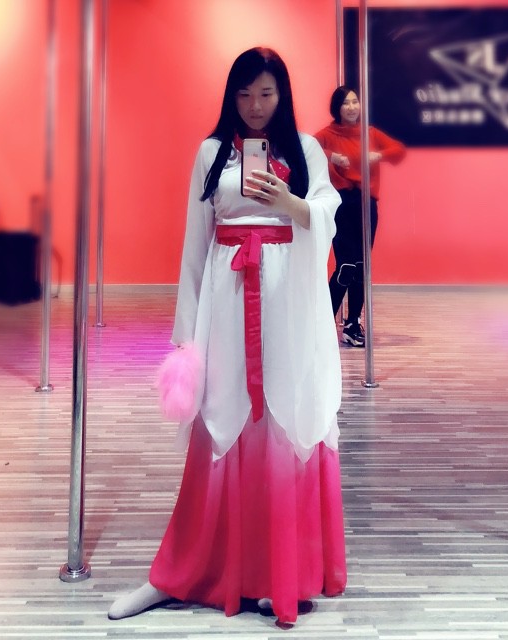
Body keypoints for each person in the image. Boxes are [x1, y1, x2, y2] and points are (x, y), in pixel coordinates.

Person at [108, 47, 347, 626]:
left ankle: (277, 574)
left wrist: (289, 203)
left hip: (288, 307)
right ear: (230, 97)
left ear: (282, 95)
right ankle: (182, 572)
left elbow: (327, 213)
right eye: (244, 94)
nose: (255, 106)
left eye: (265, 93)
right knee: (222, 418)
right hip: (227, 302)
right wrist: (185, 339)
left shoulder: (305, 150)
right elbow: (195, 246)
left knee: (285, 422)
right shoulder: (211, 153)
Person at [314, 86, 406, 348]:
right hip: (341, 203)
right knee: (346, 266)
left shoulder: (370, 133)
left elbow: (398, 151)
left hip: (366, 204)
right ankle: (321, 324)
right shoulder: (326, 135)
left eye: (355, 102)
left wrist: (379, 154)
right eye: (346, 103)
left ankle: (352, 324)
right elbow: (304, 151)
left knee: (361, 265)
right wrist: (332, 156)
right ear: (337, 107)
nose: (352, 107)